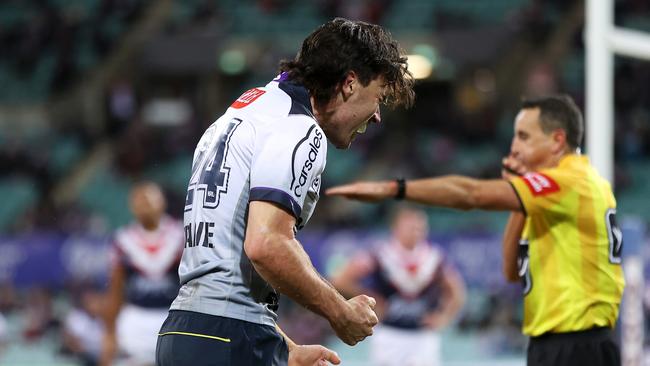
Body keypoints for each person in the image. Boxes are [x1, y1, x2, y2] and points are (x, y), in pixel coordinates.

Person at [155, 17, 415, 366]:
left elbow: (225, 264)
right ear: (350, 83)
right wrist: (340, 312)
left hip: (184, 332)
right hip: (231, 339)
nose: (377, 116)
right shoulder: (300, 129)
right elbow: (266, 243)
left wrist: (285, 348)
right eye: (378, 98)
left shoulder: (244, 112)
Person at [327, 95, 625, 366]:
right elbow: (512, 272)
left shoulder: (567, 183)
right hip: (553, 340)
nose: (515, 148)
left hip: (578, 341)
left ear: (557, 141)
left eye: (524, 137)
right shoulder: (553, 199)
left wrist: (393, 188)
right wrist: (519, 203)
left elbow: (471, 194)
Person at [331, 205, 465, 366]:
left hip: (423, 336)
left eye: (420, 226)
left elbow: (457, 292)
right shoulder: (379, 254)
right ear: (395, 227)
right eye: (410, 226)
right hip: (389, 334)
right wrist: (369, 299)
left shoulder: (434, 258)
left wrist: (444, 318)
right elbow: (341, 280)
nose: (416, 231)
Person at [101, 182, 185, 366]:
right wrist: (109, 333)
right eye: (138, 200)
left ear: (162, 202)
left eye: (149, 198)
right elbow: (115, 290)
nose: (144, 203)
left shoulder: (181, 235)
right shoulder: (123, 240)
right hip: (136, 319)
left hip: (171, 317)